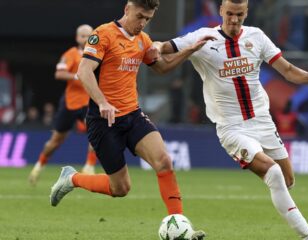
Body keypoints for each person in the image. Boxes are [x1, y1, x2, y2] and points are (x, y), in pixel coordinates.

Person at [156, 0, 308, 239]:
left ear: (246, 12)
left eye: (239, 14)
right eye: (229, 13)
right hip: (232, 128)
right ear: (221, 11)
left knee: (288, 179)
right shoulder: (203, 37)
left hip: (262, 121)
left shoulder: (256, 37)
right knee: (274, 173)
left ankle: (285, 205)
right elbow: (163, 48)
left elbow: (288, 70)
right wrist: (153, 46)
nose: (234, 19)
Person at [49, 1, 211, 239]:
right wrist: (103, 102)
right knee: (120, 188)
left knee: (164, 161)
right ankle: (71, 178)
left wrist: (190, 51)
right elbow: (84, 71)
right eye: (140, 16)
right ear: (127, 9)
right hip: (103, 121)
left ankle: (180, 227)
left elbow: (163, 68)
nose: (143, 23)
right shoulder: (103, 34)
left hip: (132, 115)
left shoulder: (142, 40)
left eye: (148, 18)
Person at [28, 24, 97, 186]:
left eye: (89, 35)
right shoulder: (70, 54)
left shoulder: (98, 55)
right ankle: (39, 165)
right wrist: (77, 77)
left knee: (96, 132)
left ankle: (89, 166)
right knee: (56, 140)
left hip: (89, 102)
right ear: (77, 38)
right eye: (82, 36)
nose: (86, 39)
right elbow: (59, 73)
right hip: (70, 103)